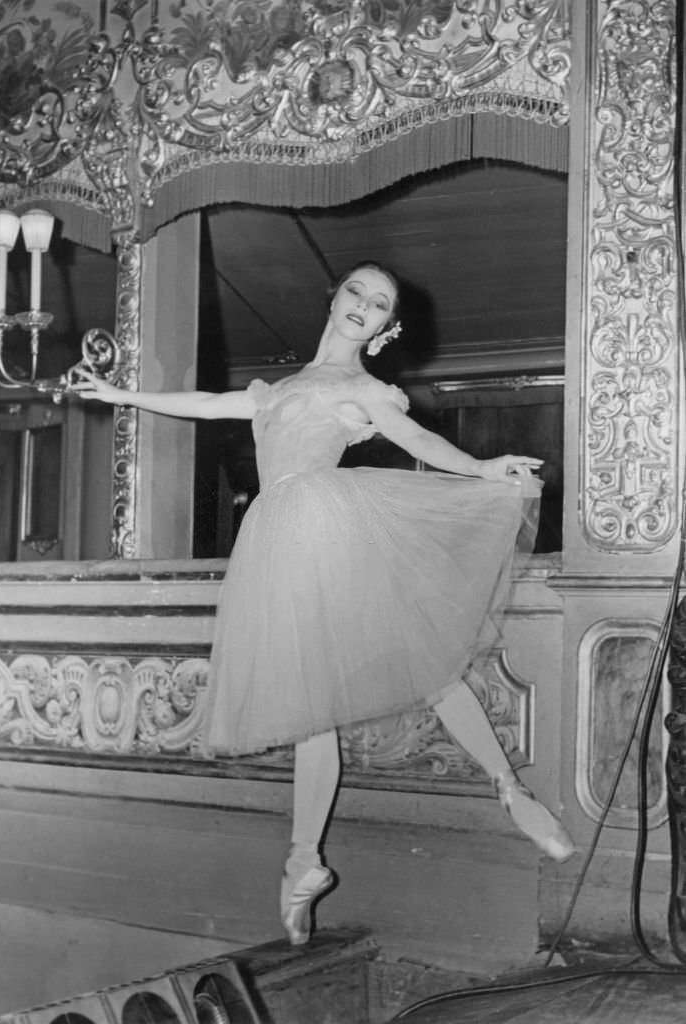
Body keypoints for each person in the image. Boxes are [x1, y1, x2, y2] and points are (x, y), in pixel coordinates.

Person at [72, 262, 575, 946]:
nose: (362, 306)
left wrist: (484, 469)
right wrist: (119, 394)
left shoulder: (364, 390)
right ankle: (302, 861)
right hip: (276, 539)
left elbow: (419, 442)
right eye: (355, 292)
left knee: (424, 663)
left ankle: (509, 791)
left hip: (325, 522)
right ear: (333, 298)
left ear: (383, 328)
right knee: (313, 710)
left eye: (379, 304)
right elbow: (203, 402)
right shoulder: (276, 390)